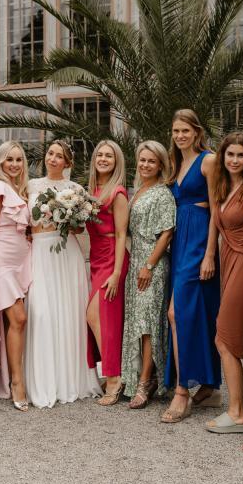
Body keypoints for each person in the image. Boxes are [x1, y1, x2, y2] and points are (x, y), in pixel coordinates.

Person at [24, 140, 101, 408]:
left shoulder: (76, 190)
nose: (53, 159)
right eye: (50, 154)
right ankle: (43, 380)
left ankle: (71, 379)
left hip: (66, 252)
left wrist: (68, 217)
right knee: (42, 312)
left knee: (68, 314)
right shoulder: (31, 186)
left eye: (59, 156)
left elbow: (81, 230)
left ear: (68, 163)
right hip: (39, 253)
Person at [162, 109, 221, 423]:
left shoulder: (208, 161)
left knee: (177, 313)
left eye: (185, 130)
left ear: (197, 132)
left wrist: (210, 253)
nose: (180, 136)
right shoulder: (176, 163)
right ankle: (209, 384)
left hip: (200, 238)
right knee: (199, 313)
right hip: (180, 239)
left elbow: (216, 210)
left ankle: (182, 391)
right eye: (175, 131)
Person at [204, 132, 243, 434]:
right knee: (233, 335)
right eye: (230, 155)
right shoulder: (222, 183)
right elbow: (215, 221)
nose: (235, 160)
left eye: (241, 155)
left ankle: (237, 412)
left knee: (224, 337)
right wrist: (209, 256)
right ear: (223, 157)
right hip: (227, 259)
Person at [121, 141, 175, 410]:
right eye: (142, 160)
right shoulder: (138, 191)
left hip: (151, 263)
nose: (145, 165)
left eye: (151, 161)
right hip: (136, 262)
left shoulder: (162, 193)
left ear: (161, 165)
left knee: (148, 324)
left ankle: (146, 382)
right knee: (138, 321)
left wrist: (149, 265)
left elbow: (167, 232)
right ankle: (141, 376)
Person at [0, 141, 32, 410]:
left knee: (19, 322)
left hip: (22, 258)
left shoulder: (21, 190)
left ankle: (17, 377)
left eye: (19, 160)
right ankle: (16, 381)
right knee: (19, 318)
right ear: (0, 162)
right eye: (9, 159)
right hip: (1, 261)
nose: (14, 164)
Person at [85, 140, 130, 405]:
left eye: (109, 156)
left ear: (116, 162)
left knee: (96, 315)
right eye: (99, 154)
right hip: (96, 257)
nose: (103, 159)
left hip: (113, 257)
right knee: (99, 317)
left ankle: (114, 378)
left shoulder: (118, 193)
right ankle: (112, 373)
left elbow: (123, 234)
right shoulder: (91, 190)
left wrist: (115, 274)